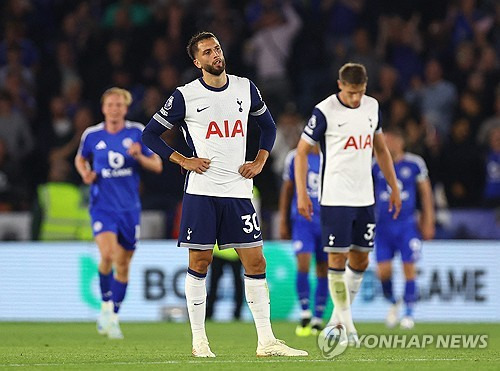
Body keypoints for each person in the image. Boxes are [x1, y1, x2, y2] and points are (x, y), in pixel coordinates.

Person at [142, 31, 307, 358]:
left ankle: (267, 341)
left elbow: (269, 128)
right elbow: (150, 134)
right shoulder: (185, 96)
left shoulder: (245, 88)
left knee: (256, 260)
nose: (215, 55)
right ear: (197, 61)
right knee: (200, 261)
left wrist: (259, 160)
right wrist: (182, 159)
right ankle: (200, 341)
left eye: (216, 48)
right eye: (207, 52)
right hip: (202, 191)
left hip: (238, 190)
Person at [294, 63, 402, 345]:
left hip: (365, 197)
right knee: (337, 260)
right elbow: (301, 153)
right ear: (340, 85)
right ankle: (348, 325)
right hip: (335, 197)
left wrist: (393, 186)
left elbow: (381, 149)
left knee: (361, 260)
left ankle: (336, 320)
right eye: (351, 92)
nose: (356, 98)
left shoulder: (372, 107)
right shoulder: (325, 110)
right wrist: (303, 193)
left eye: (360, 92)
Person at [75, 87, 162, 339]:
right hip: (102, 206)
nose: (114, 109)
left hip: (129, 209)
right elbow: (81, 159)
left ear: (125, 109)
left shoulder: (136, 132)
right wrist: (85, 173)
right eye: (110, 105)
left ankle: (113, 316)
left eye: (119, 105)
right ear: (103, 108)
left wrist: (139, 157)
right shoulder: (92, 135)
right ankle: (104, 306)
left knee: (123, 264)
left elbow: (156, 164)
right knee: (108, 254)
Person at [373, 127, 435, 330]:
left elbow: (426, 194)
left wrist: (428, 221)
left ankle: (409, 314)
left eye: (391, 141)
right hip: (383, 226)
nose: (387, 145)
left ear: (401, 142)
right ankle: (393, 301)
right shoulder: (375, 165)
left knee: (409, 268)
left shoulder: (415, 163)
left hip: (406, 225)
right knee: (383, 272)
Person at [279, 145, 328, 336]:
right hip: (302, 221)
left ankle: (318, 318)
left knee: (324, 268)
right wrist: (283, 221)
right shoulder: (294, 157)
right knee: (303, 264)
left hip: (326, 221)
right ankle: (305, 311)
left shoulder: (331, 154)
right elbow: (287, 189)